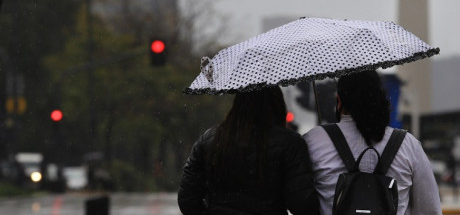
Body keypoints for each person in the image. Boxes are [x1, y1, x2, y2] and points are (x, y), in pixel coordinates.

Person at [303, 70, 442, 215]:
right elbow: (429, 210)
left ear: (339, 102)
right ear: (379, 100)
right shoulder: (408, 145)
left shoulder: (313, 141)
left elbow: (301, 201)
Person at [178, 86, 319, 215]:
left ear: (237, 104)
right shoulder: (290, 143)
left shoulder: (210, 139)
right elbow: (302, 204)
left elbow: (187, 199)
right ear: (277, 104)